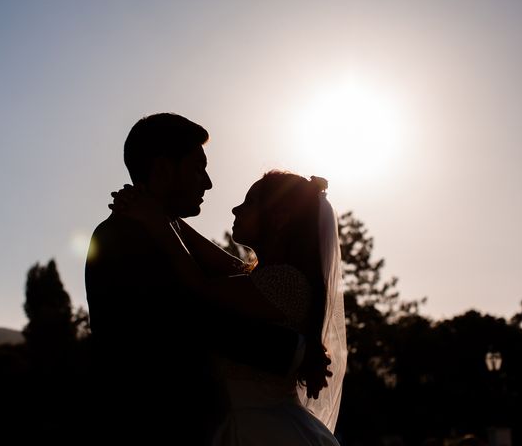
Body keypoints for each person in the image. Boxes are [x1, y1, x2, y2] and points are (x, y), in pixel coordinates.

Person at [84, 113, 302, 444]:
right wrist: (299, 353)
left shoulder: (162, 234)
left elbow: (237, 275)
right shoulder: (126, 239)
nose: (208, 182)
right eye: (198, 168)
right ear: (163, 170)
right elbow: (197, 319)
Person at [111, 169, 348, 445]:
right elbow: (219, 261)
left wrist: (155, 220)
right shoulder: (270, 278)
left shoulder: (285, 281)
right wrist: (164, 214)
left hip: (266, 431)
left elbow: (199, 284)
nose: (235, 209)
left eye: (249, 203)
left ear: (280, 217)